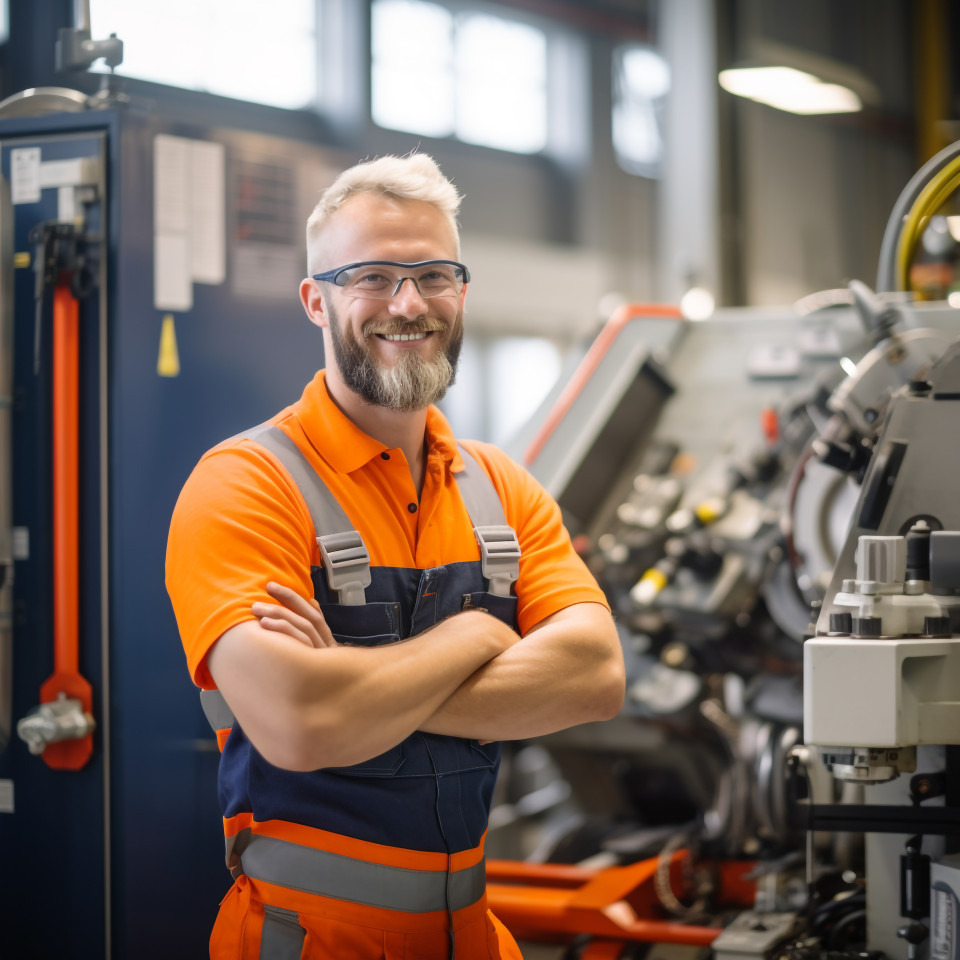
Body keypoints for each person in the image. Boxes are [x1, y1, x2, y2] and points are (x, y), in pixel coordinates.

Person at [166, 153, 625, 959]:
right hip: (306, 942)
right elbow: (300, 723)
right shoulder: (244, 485)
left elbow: (594, 675)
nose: (408, 304)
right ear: (317, 300)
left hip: (474, 939)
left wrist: (356, 680)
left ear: (461, 292)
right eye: (373, 276)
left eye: (433, 275)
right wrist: (477, 638)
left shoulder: (501, 488)